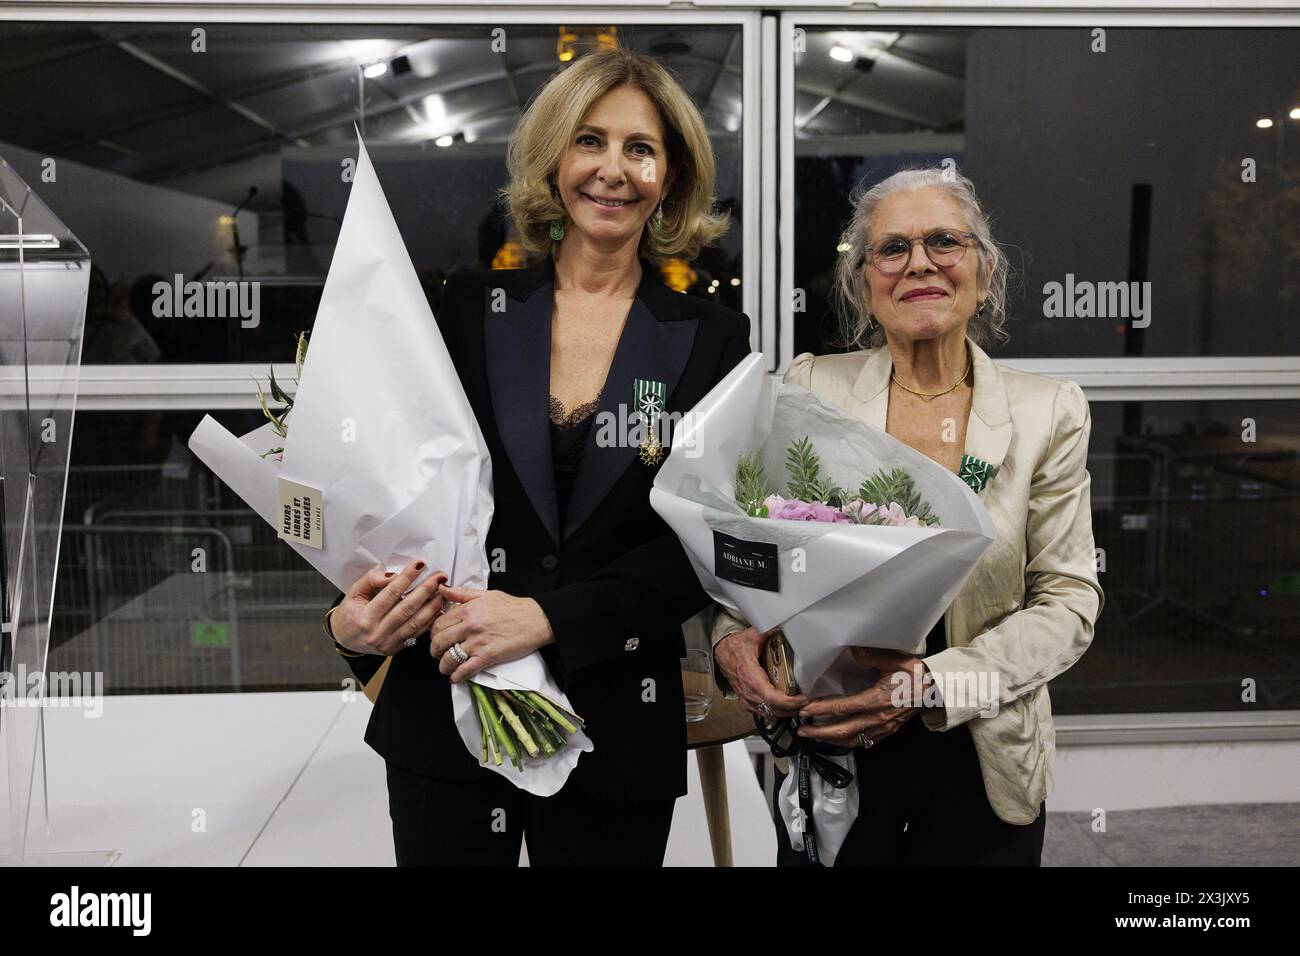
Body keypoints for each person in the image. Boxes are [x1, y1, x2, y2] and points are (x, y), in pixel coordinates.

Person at [324, 47, 752, 866]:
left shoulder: (709, 338)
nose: (612, 170)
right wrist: (352, 621)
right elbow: (387, 488)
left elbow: (706, 542)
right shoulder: (467, 311)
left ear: (670, 177)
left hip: (616, 718)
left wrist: (551, 618)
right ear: (555, 159)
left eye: (641, 148)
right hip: (446, 701)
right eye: (590, 141)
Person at [711, 167, 1104, 866]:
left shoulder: (1048, 412)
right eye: (892, 249)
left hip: (979, 747)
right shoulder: (808, 387)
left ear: (984, 273)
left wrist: (930, 683)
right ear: (866, 283)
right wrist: (730, 635)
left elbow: (1068, 602)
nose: (918, 262)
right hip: (830, 742)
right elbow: (753, 550)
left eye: (944, 242)